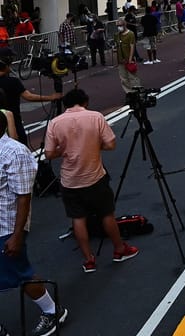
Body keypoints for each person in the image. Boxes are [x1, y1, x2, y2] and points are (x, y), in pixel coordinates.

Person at [44, 89, 139, 273]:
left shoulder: (55, 123)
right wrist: (94, 146)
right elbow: (110, 144)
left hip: (70, 180)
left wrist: (65, 151)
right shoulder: (95, 117)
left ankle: (88, 259)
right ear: (85, 101)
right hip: (95, 176)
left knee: (78, 218)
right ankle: (119, 249)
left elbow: (49, 153)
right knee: (106, 214)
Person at [0, 112, 68, 336]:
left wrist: (17, 235)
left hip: (7, 226)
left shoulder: (15, 153)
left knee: (20, 272)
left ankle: (52, 310)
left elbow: (23, 197)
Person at [0, 47, 62, 147]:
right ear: (7, 62)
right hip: (14, 122)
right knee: (19, 147)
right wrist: (51, 97)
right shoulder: (13, 81)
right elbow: (29, 97)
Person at [114, 17, 141, 94]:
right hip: (120, 60)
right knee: (123, 78)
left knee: (132, 77)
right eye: (118, 26)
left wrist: (130, 59)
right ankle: (129, 93)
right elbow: (117, 46)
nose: (119, 27)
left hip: (129, 59)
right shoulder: (117, 35)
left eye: (120, 25)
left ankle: (137, 92)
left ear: (124, 24)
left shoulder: (130, 34)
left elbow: (132, 46)